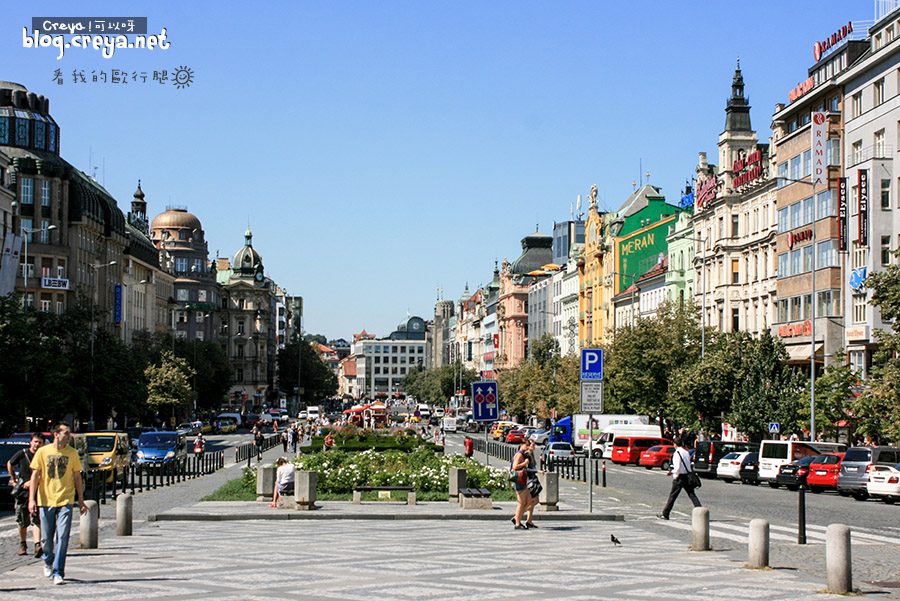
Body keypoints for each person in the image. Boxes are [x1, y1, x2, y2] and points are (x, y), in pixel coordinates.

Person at [28, 422, 88, 585]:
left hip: (65, 500)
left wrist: (80, 500)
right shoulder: (42, 452)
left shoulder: (72, 453)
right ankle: (48, 560)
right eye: (66, 433)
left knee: (62, 536)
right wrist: (31, 499)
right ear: (56, 434)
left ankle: (58, 571)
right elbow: (35, 476)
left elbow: (77, 477)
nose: (69, 436)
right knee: (46, 539)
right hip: (45, 500)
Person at [7, 433, 43, 557]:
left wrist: (33, 482)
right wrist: (14, 479)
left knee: (36, 519)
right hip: (23, 493)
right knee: (22, 520)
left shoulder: (43, 455)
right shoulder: (22, 454)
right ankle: (23, 544)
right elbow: (10, 463)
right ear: (30, 442)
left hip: (38, 492)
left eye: (39, 442)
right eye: (35, 442)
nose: (37, 445)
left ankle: (37, 544)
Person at [657, 435, 701, 520]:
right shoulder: (686, 452)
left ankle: (665, 514)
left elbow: (677, 468)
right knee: (692, 495)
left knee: (672, 496)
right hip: (687, 476)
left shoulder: (677, 453)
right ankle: (700, 512)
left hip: (679, 477)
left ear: (675, 444)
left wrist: (672, 473)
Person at [510, 440, 532, 530]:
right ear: (521, 445)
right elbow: (515, 466)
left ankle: (517, 518)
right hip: (518, 479)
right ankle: (517, 523)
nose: (527, 447)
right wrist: (525, 463)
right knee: (521, 502)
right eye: (526, 445)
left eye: (529, 445)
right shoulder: (519, 455)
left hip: (522, 479)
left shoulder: (523, 454)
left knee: (528, 501)